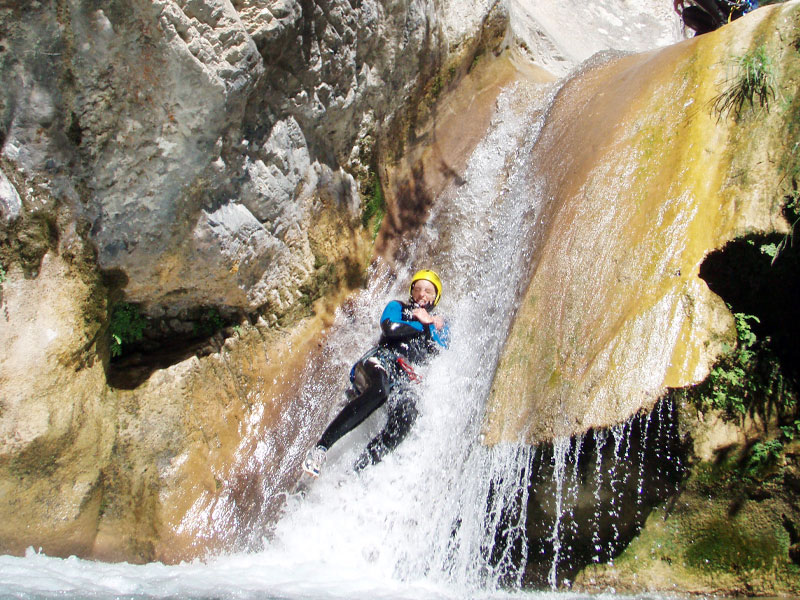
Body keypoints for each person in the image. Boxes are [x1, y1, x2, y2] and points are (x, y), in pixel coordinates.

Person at [302, 269, 450, 477]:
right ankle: (321, 448)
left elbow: (440, 352)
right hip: (377, 362)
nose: (422, 295)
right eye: (417, 289)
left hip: (401, 379)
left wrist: (429, 326)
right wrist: (421, 324)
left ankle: (356, 472)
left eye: (428, 291)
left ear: (436, 297)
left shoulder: (438, 325)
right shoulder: (399, 307)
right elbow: (389, 328)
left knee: (408, 413)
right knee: (380, 389)